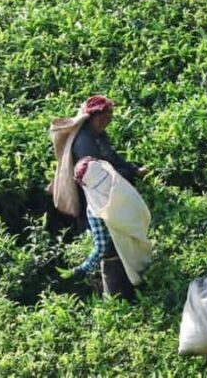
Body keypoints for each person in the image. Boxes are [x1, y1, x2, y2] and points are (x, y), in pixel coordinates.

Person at [57, 157, 137, 301]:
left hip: (114, 264)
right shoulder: (120, 186)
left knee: (117, 305)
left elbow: (102, 246)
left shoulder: (95, 207)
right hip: (136, 252)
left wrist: (83, 268)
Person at [70, 95, 146, 229]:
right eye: (102, 119)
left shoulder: (99, 134)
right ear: (92, 118)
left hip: (104, 188)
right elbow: (92, 171)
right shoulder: (84, 139)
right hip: (90, 193)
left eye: (108, 119)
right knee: (96, 232)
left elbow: (113, 156)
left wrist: (134, 169)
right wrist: (124, 174)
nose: (105, 122)